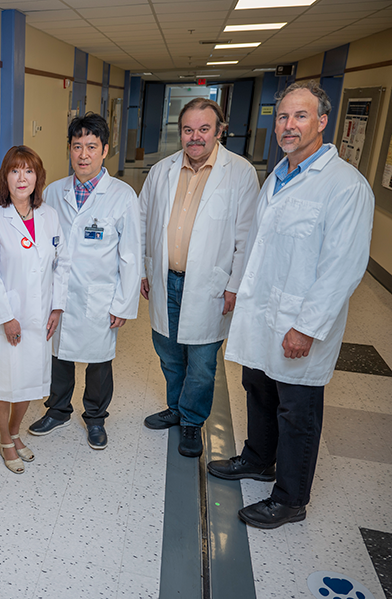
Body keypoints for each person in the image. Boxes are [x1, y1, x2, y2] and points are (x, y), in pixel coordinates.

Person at [209, 81, 374, 529]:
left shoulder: (345, 186)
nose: (288, 125)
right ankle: (259, 460)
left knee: (297, 411)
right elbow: (262, 248)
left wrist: (306, 327)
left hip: (299, 324)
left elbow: (343, 268)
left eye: (300, 116)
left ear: (322, 122)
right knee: (259, 391)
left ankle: (290, 499)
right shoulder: (280, 175)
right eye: (282, 116)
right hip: (262, 316)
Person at [139, 98, 259, 457]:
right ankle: (175, 408)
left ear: (219, 130)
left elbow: (246, 237)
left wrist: (234, 285)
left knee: (203, 361)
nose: (195, 137)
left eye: (204, 129)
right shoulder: (162, 170)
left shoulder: (239, 173)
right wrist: (146, 269)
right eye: (188, 129)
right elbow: (143, 223)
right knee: (168, 353)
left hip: (210, 285)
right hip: (165, 279)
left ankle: (192, 421)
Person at [27, 112, 141, 450]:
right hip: (60, 293)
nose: (83, 155)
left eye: (91, 146)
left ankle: (95, 418)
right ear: (70, 149)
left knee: (99, 362)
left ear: (105, 150)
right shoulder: (54, 192)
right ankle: (58, 409)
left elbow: (131, 255)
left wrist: (123, 303)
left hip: (100, 296)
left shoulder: (122, 196)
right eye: (77, 146)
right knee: (58, 355)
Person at [0, 145, 68, 474]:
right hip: (7, 318)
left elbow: (62, 264)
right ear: (5, 177)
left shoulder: (49, 216)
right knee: (4, 381)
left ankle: (16, 432)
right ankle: (4, 438)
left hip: (40, 315)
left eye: (28, 171)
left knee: (29, 379)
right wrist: (6, 317)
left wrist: (57, 307)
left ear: (37, 177)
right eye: (15, 171)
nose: (22, 177)